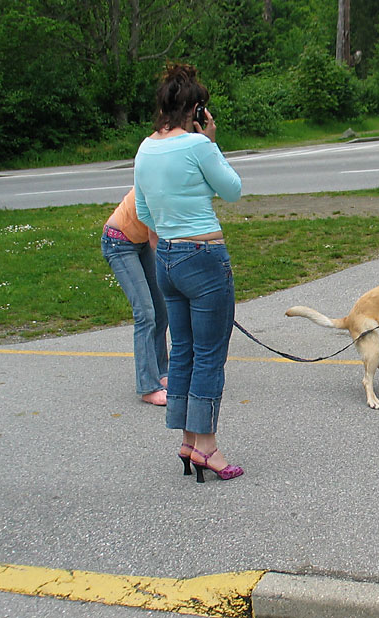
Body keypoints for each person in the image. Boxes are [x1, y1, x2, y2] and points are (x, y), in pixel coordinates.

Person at [134, 63, 244, 483]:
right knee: (210, 354)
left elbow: (144, 213)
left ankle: (187, 440)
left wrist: (168, 246)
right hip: (204, 255)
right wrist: (212, 144)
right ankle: (208, 449)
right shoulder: (199, 147)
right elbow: (233, 189)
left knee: (183, 349)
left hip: (166, 259)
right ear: (196, 110)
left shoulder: (144, 149)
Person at [101, 188, 169, 406]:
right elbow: (156, 240)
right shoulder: (156, 185)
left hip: (139, 243)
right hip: (118, 243)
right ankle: (148, 387)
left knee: (161, 311)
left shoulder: (176, 187)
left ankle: (161, 372)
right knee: (145, 314)